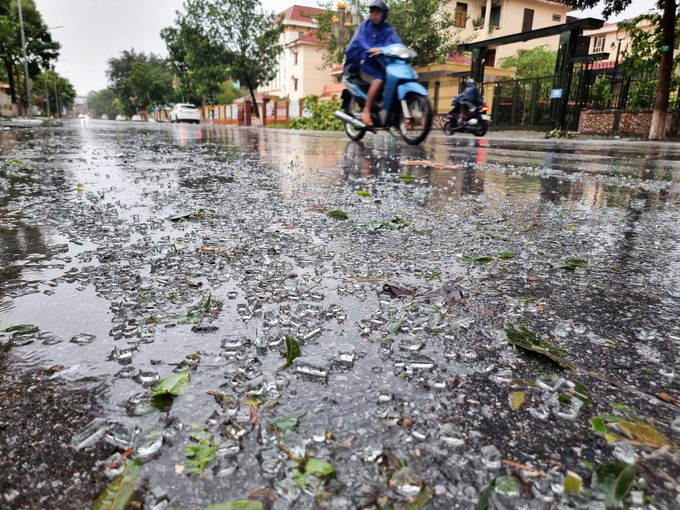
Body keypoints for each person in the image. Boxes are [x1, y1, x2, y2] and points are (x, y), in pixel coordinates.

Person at [344, 0, 402, 127]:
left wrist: (407, 51)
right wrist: (369, 48)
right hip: (366, 64)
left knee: (395, 79)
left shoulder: (388, 29)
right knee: (378, 80)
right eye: (372, 12)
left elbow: (397, 42)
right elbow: (360, 40)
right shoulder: (365, 25)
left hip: (382, 64)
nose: (374, 15)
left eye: (378, 12)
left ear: (384, 14)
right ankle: (366, 110)